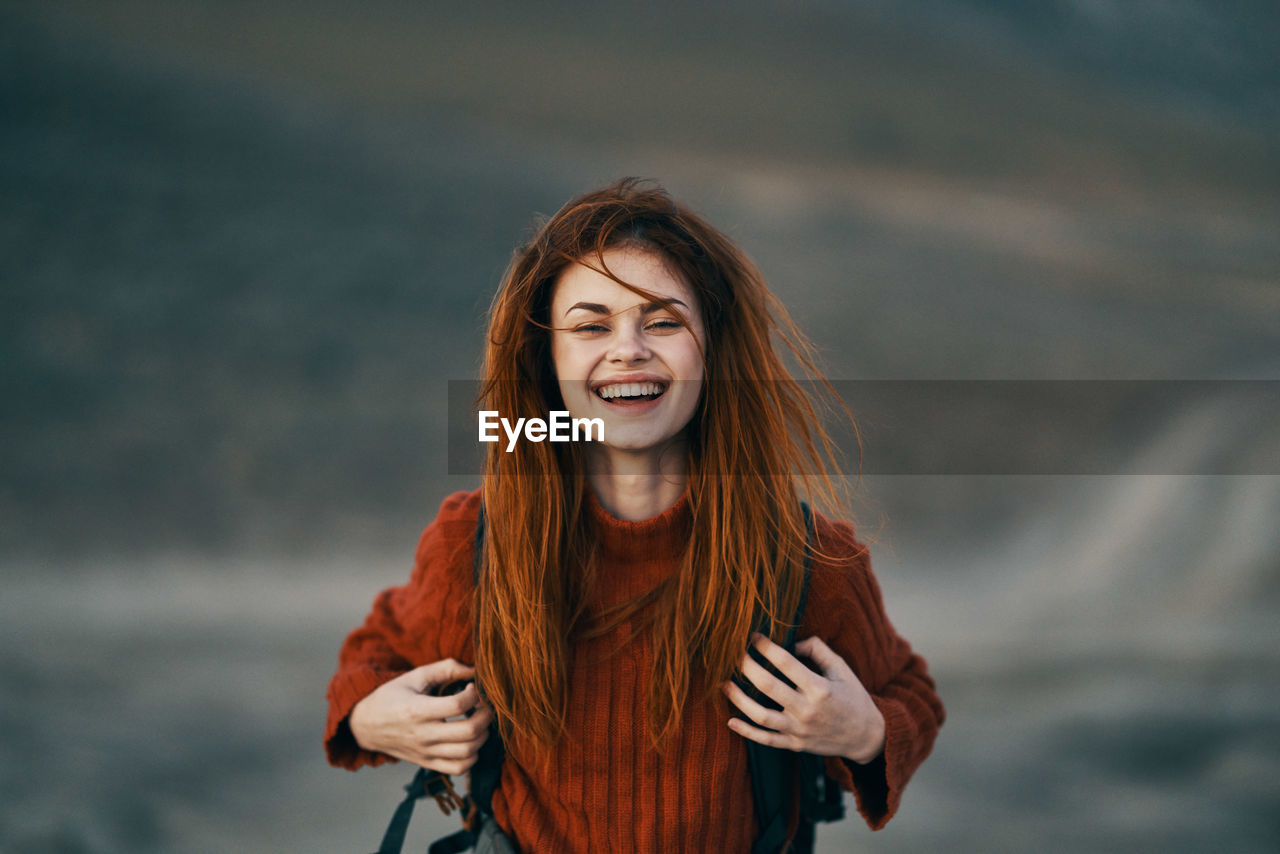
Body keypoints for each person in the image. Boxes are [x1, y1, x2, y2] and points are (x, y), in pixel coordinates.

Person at [324, 178, 944, 852]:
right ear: (547, 359)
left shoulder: (808, 561)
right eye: (591, 326)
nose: (629, 349)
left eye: (664, 321)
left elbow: (910, 696)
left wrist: (865, 733)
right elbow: (371, 660)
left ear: (715, 347)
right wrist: (370, 718)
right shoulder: (473, 544)